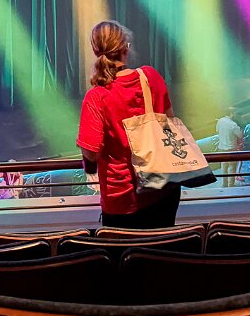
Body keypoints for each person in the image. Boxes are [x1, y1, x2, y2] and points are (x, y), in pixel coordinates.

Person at [77, 20, 180, 229]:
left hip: (123, 199)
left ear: (95, 51)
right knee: (163, 247)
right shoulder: (150, 77)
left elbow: (91, 153)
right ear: (125, 48)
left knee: (125, 251)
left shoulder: (97, 97)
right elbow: (170, 122)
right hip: (164, 188)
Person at [214, 110, 244, 188]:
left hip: (221, 147)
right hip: (231, 148)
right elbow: (240, 135)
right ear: (231, 114)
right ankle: (231, 185)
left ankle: (224, 184)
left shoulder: (220, 121)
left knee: (224, 166)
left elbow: (217, 131)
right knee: (232, 167)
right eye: (234, 113)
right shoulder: (233, 124)